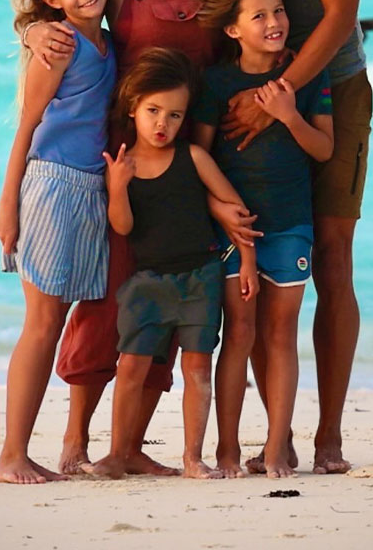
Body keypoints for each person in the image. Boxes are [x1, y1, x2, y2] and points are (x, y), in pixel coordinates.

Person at [92, 0, 371, 475]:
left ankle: (327, 437)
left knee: (330, 256)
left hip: (325, 86)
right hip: (233, 92)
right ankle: (209, 443)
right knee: (225, 273)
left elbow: (338, 17)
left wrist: (278, 90)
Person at [22, 0, 255, 475]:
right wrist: (33, 31)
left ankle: (127, 449)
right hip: (121, 154)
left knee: (171, 289)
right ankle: (74, 442)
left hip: (187, 149)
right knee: (107, 297)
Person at [84, 47, 258, 480]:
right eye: (154, 111)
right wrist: (118, 187)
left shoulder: (194, 158)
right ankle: (118, 453)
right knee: (131, 368)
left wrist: (249, 261)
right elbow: (122, 227)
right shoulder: (124, 167)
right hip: (147, 284)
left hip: (200, 277)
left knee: (197, 367)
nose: (163, 123)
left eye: (175, 116)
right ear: (134, 108)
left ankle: (192, 458)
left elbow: (235, 207)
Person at [192, 0, 333, 478]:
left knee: (281, 335)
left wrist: (288, 114)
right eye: (258, 15)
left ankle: (277, 447)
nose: (274, 22)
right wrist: (217, 210)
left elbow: (323, 148)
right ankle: (227, 448)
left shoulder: (305, 74)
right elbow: (198, 157)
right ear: (232, 29)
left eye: (278, 11)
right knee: (239, 332)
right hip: (234, 230)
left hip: (292, 222)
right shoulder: (215, 82)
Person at [0, 0, 116, 484]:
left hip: (90, 189)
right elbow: (27, 127)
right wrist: (7, 205)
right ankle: (11, 455)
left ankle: (57, 447)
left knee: (66, 319)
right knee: (42, 325)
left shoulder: (109, 42)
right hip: (50, 186)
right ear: (53, 0)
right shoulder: (59, 45)